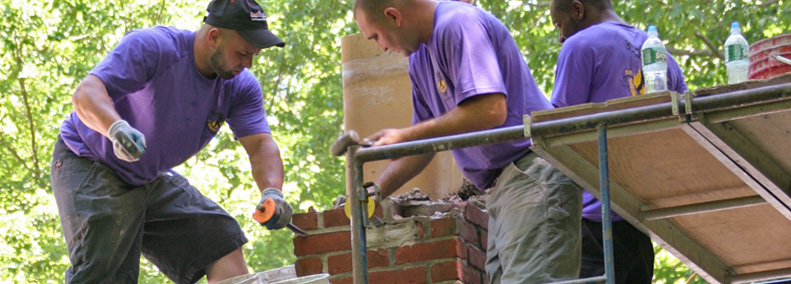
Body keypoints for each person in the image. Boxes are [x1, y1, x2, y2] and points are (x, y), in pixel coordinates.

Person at [50, 0, 293, 282]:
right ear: (214, 37)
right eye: (242, 53)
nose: (248, 63)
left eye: (254, 55)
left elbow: (261, 146)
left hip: (147, 176)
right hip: (89, 160)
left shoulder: (239, 86)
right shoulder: (153, 47)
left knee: (220, 241)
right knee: (108, 274)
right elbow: (86, 93)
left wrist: (272, 192)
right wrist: (115, 128)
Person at [353, 0, 583, 283]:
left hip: (534, 172)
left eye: (375, 36)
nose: (381, 47)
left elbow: (490, 109)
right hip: (505, 189)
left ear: (393, 16)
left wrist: (403, 136)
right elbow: (425, 143)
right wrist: (377, 192)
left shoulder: (457, 23)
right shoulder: (419, 58)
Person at [548, 0, 689, 283]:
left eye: (559, 25)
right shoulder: (661, 55)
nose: (561, 36)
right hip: (641, 222)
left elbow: (555, 132)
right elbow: (685, 130)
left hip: (594, 220)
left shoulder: (580, 46)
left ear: (578, 9)